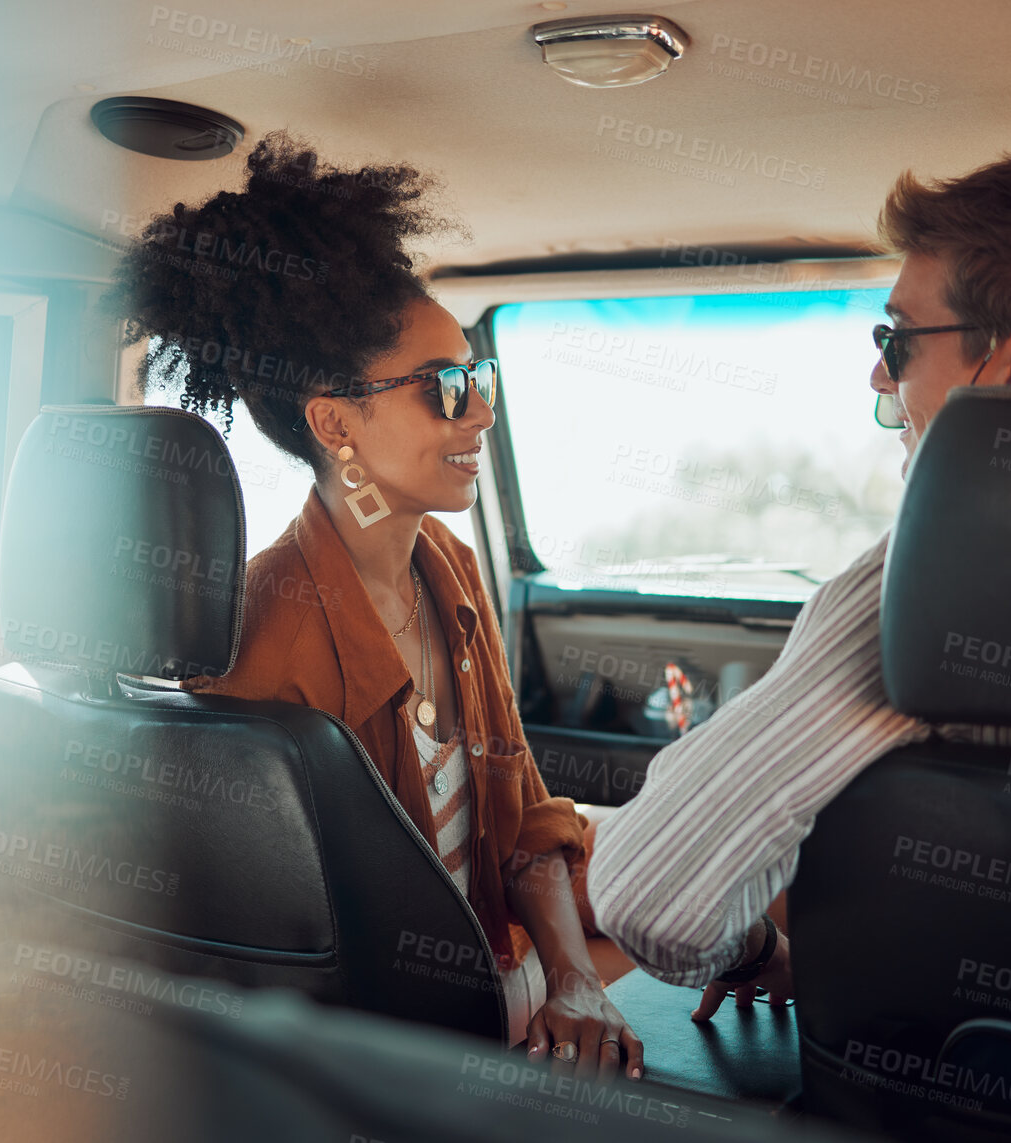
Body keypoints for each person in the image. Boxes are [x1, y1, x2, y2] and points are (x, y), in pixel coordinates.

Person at [587, 151, 1011, 1020]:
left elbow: (650, 892)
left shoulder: (936, 581)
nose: (878, 374)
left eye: (897, 339)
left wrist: (756, 946)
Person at [108, 131, 642, 1081]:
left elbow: (519, 819)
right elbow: (273, 959)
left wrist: (574, 979)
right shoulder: (263, 637)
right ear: (334, 423)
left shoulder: (447, 564)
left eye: (479, 380)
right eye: (446, 389)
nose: (480, 412)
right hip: (388, 1039)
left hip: (487, 961)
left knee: (705, 899)